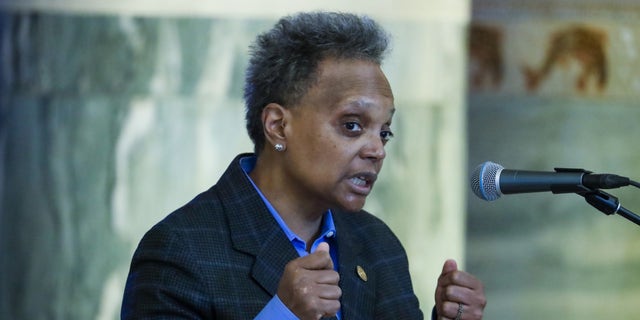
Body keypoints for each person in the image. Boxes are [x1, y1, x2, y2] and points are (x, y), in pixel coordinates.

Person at [121, 11, 486, 320]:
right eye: (352, 125)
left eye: (385, 132)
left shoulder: (377, 244)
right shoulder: (179, 251)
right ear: (278, 126)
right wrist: (282, 314)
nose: (376, 150)